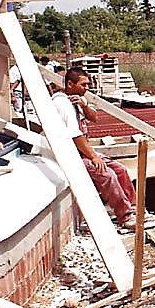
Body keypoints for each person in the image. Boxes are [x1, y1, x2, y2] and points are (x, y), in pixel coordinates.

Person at [52, 67, 136, 228]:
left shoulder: (77, 100)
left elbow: (94, 118)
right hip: (70, 154)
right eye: (84, 85)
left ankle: (133, 209)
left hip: (81, 151)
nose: (87, 88)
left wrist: (84, 105)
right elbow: (76, 136)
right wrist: (94, 157)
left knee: (121, 170)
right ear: (70, 84)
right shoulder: (63, 104)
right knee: (106, 174)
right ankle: (125, 217)